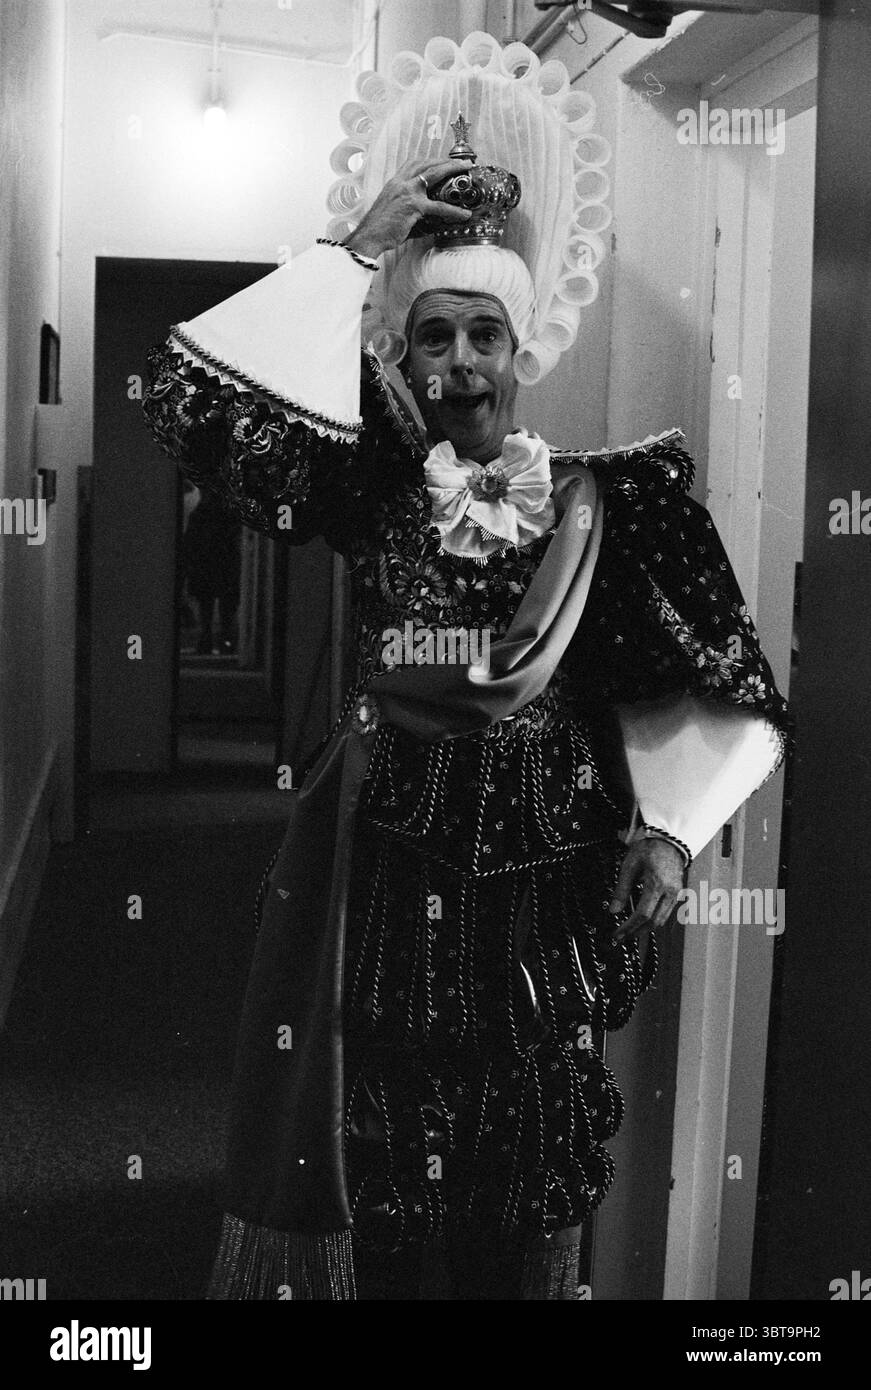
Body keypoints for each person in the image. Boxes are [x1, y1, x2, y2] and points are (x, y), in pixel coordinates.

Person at [141, 35, 789, 1300]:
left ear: (523, 341)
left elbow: (715, 672)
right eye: (430, 336)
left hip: (548, 899)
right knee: (385, 1177)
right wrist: (355, 252)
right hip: (385, 875)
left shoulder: (617, 502)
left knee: (530, 1190)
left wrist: (670, 834)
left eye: (482, 334)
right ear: (403, 352)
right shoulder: (367, 478)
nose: (457, 367)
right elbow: (191, 407)